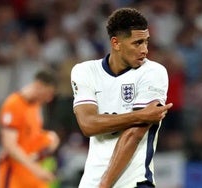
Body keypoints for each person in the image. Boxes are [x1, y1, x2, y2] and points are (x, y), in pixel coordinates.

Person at [71, 7, 173, 188]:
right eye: (137, 43)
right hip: (91, 182)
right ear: (116, 43)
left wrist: (105, 184)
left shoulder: (153, 72)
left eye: (146, 42)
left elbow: (134, 134)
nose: (145, 50)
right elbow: (88, 125)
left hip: (134, 182)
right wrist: (139, 115)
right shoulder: (85, 71)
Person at [0, 69, 60, 188]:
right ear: (38, 86)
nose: (49, 99)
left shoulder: (35, 105)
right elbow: (10, 146)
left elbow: (31, 134)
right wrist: (36, 169)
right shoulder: (13, 104)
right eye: (48, 93)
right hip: (15, 174)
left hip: (31, 172)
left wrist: (50, 139)